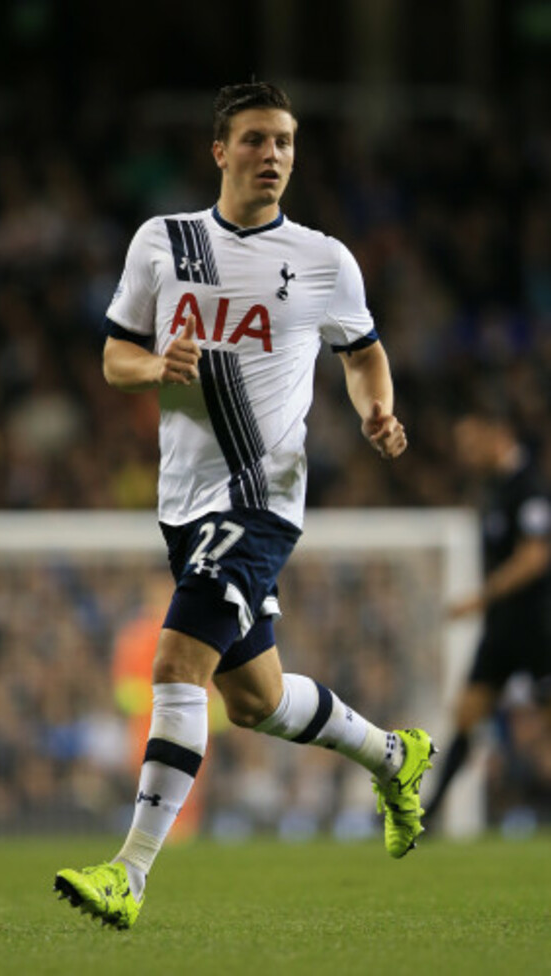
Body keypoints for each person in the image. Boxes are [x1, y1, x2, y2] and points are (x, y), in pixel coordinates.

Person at [54, 81, 435, 930]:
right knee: (254, 700)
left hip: (262, 498)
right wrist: (156, 368)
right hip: (184, 502)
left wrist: (378, 407)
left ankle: (131, 874)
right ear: (219, 151)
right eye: (257, 140)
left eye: (287, 142)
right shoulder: (165, 242)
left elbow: (364, 354)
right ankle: (392, 754)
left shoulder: (327, 260)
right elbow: (116, 355)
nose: (275, 156)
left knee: (175, 664)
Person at [425, 406, 551, 823]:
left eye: (471, 442)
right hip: (503, 631)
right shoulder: (495, 490)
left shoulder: (528, 487)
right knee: (465, 714)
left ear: (498, 434)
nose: (466, 452)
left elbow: (534, 558)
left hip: (539, 628)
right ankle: (429, 816)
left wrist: (479, 598)